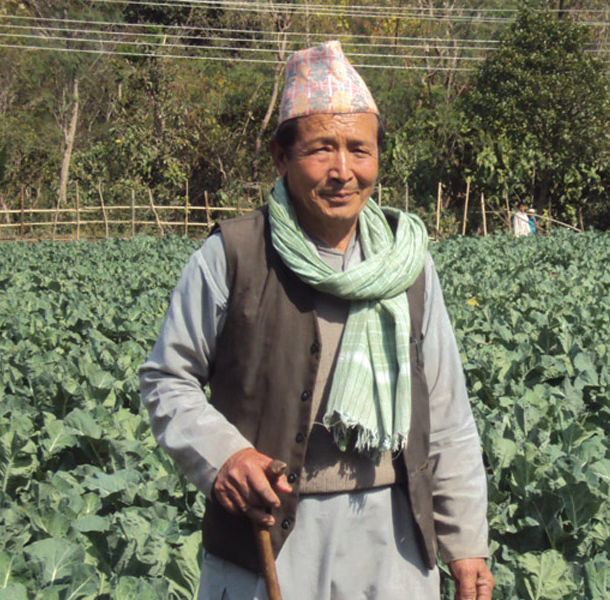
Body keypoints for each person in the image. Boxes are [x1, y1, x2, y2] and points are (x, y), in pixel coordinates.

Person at [139, 41, 493, 600]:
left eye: (360, 149)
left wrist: (466, 540)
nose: (343, 171)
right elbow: (167, 377)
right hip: (273, 541)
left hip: (393, 539)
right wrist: (225, 456)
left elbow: (448, 413)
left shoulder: (408, 265)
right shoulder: (234, 255)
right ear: (281, 159)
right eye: (321, 149)